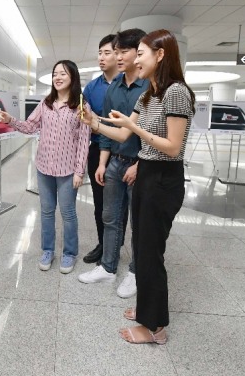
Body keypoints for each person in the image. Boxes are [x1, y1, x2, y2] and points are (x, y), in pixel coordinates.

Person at [84, 29, 195, 345]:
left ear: (160, 55)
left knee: (150, 254)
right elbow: (121, 135)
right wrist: (94, 123)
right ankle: (147, 309)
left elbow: (173, 147)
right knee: (142, 247)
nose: (134, 60)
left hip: (163, 177)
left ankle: (155, 328)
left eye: (141, 53)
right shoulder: (151, 93)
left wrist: (135, 128)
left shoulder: (175, 93)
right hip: (147, 173)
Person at [0, 60, 91, 274]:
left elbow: (84, 141)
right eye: (55, 74)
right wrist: (10, 120)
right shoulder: (45, 104)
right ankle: (47, 250)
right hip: (44, 167)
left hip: (68, 171)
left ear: (73, 78)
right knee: (47, 211)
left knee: (68, 213)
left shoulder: (81, 106)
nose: (57, 78)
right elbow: (30, 127)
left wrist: (79, 171)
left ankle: (69, 253)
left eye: (63, 74)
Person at [78, 29, 148, 301]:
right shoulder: (113, 88)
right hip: (115, 162)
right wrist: (103, 163)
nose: (118, 57)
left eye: (123, 51)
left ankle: (134, 272)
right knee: (110, 216)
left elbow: (153, 133)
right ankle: (107, 266)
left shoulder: (149, 88)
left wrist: (139, 164)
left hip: (138, 164)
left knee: (139, 223)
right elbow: (107, 129)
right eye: (114, 51)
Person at [81, 34, 120, 265]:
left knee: (122, 205)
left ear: (119, 54)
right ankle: (103, 244)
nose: (102, 58)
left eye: (107, 53)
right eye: (100, 53)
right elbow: (84, 119)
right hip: (97, 150)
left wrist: (99, 122)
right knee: (100, 203)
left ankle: (117, 246)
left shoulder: (131, 83)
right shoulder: (92, 87)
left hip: (125, 151)